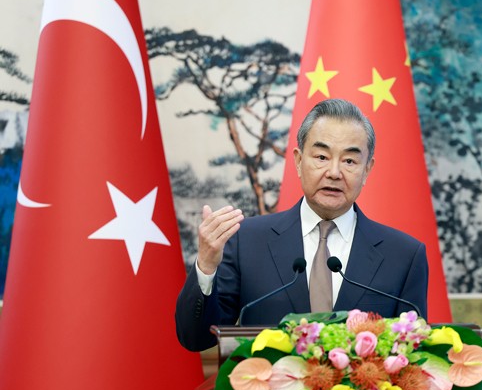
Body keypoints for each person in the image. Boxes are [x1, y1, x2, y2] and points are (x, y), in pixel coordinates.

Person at [175, 98, 428, 351]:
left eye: (349, 161)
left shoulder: (404, 257)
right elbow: (196, 339)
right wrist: (206, 265)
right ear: (298, 160)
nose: (334, 172)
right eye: (321, 157)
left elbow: (412, 352)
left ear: (367, 170)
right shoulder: (246, 241)